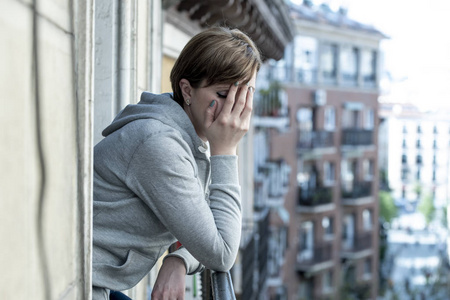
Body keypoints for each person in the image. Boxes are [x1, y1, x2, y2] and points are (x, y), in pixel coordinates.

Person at [92, 26, 262, 300]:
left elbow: (212, 227)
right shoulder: (160, 144)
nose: (234, 107)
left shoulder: (186, 137)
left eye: (244, 94)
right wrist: (227, 150)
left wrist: (180, 259)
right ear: (187, 91)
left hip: (98, 282)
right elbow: (222, 252)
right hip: (76, 280)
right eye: (222, 94)